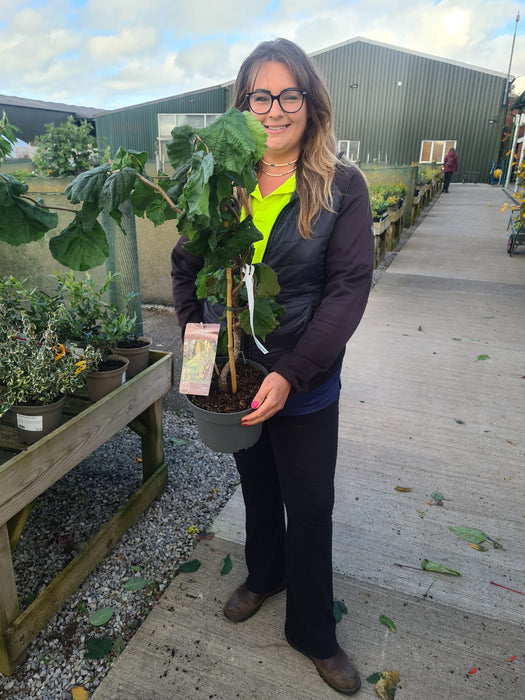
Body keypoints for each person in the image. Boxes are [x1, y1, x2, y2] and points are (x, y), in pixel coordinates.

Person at [171, 38, 374, 695]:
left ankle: (313, 631)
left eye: (289, 94)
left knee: (309, 503)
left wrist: (295, 371)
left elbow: (347, 289)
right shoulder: (219, 185)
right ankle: (264, 575)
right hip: (235, 375)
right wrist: (200, 355)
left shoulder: (341, 186)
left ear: (310, 104)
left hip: (303, 379)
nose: (275, 109)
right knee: (255, 486)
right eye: (261, 95)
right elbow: (187, 268)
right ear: (241, 105)